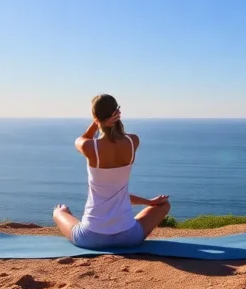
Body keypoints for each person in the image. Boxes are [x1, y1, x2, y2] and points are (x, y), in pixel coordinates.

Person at [52, 94, 171, 249]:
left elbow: (82, 138)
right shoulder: (133, 141)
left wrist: (96, 123)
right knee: (164, 205)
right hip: (129, 237)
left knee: (58, 212)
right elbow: (117, 194)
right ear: (117, 113)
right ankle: (123, 224)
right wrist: (150, 203)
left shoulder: (90, 147)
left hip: (90, 238)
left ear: (96, 117)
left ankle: (63, 211)